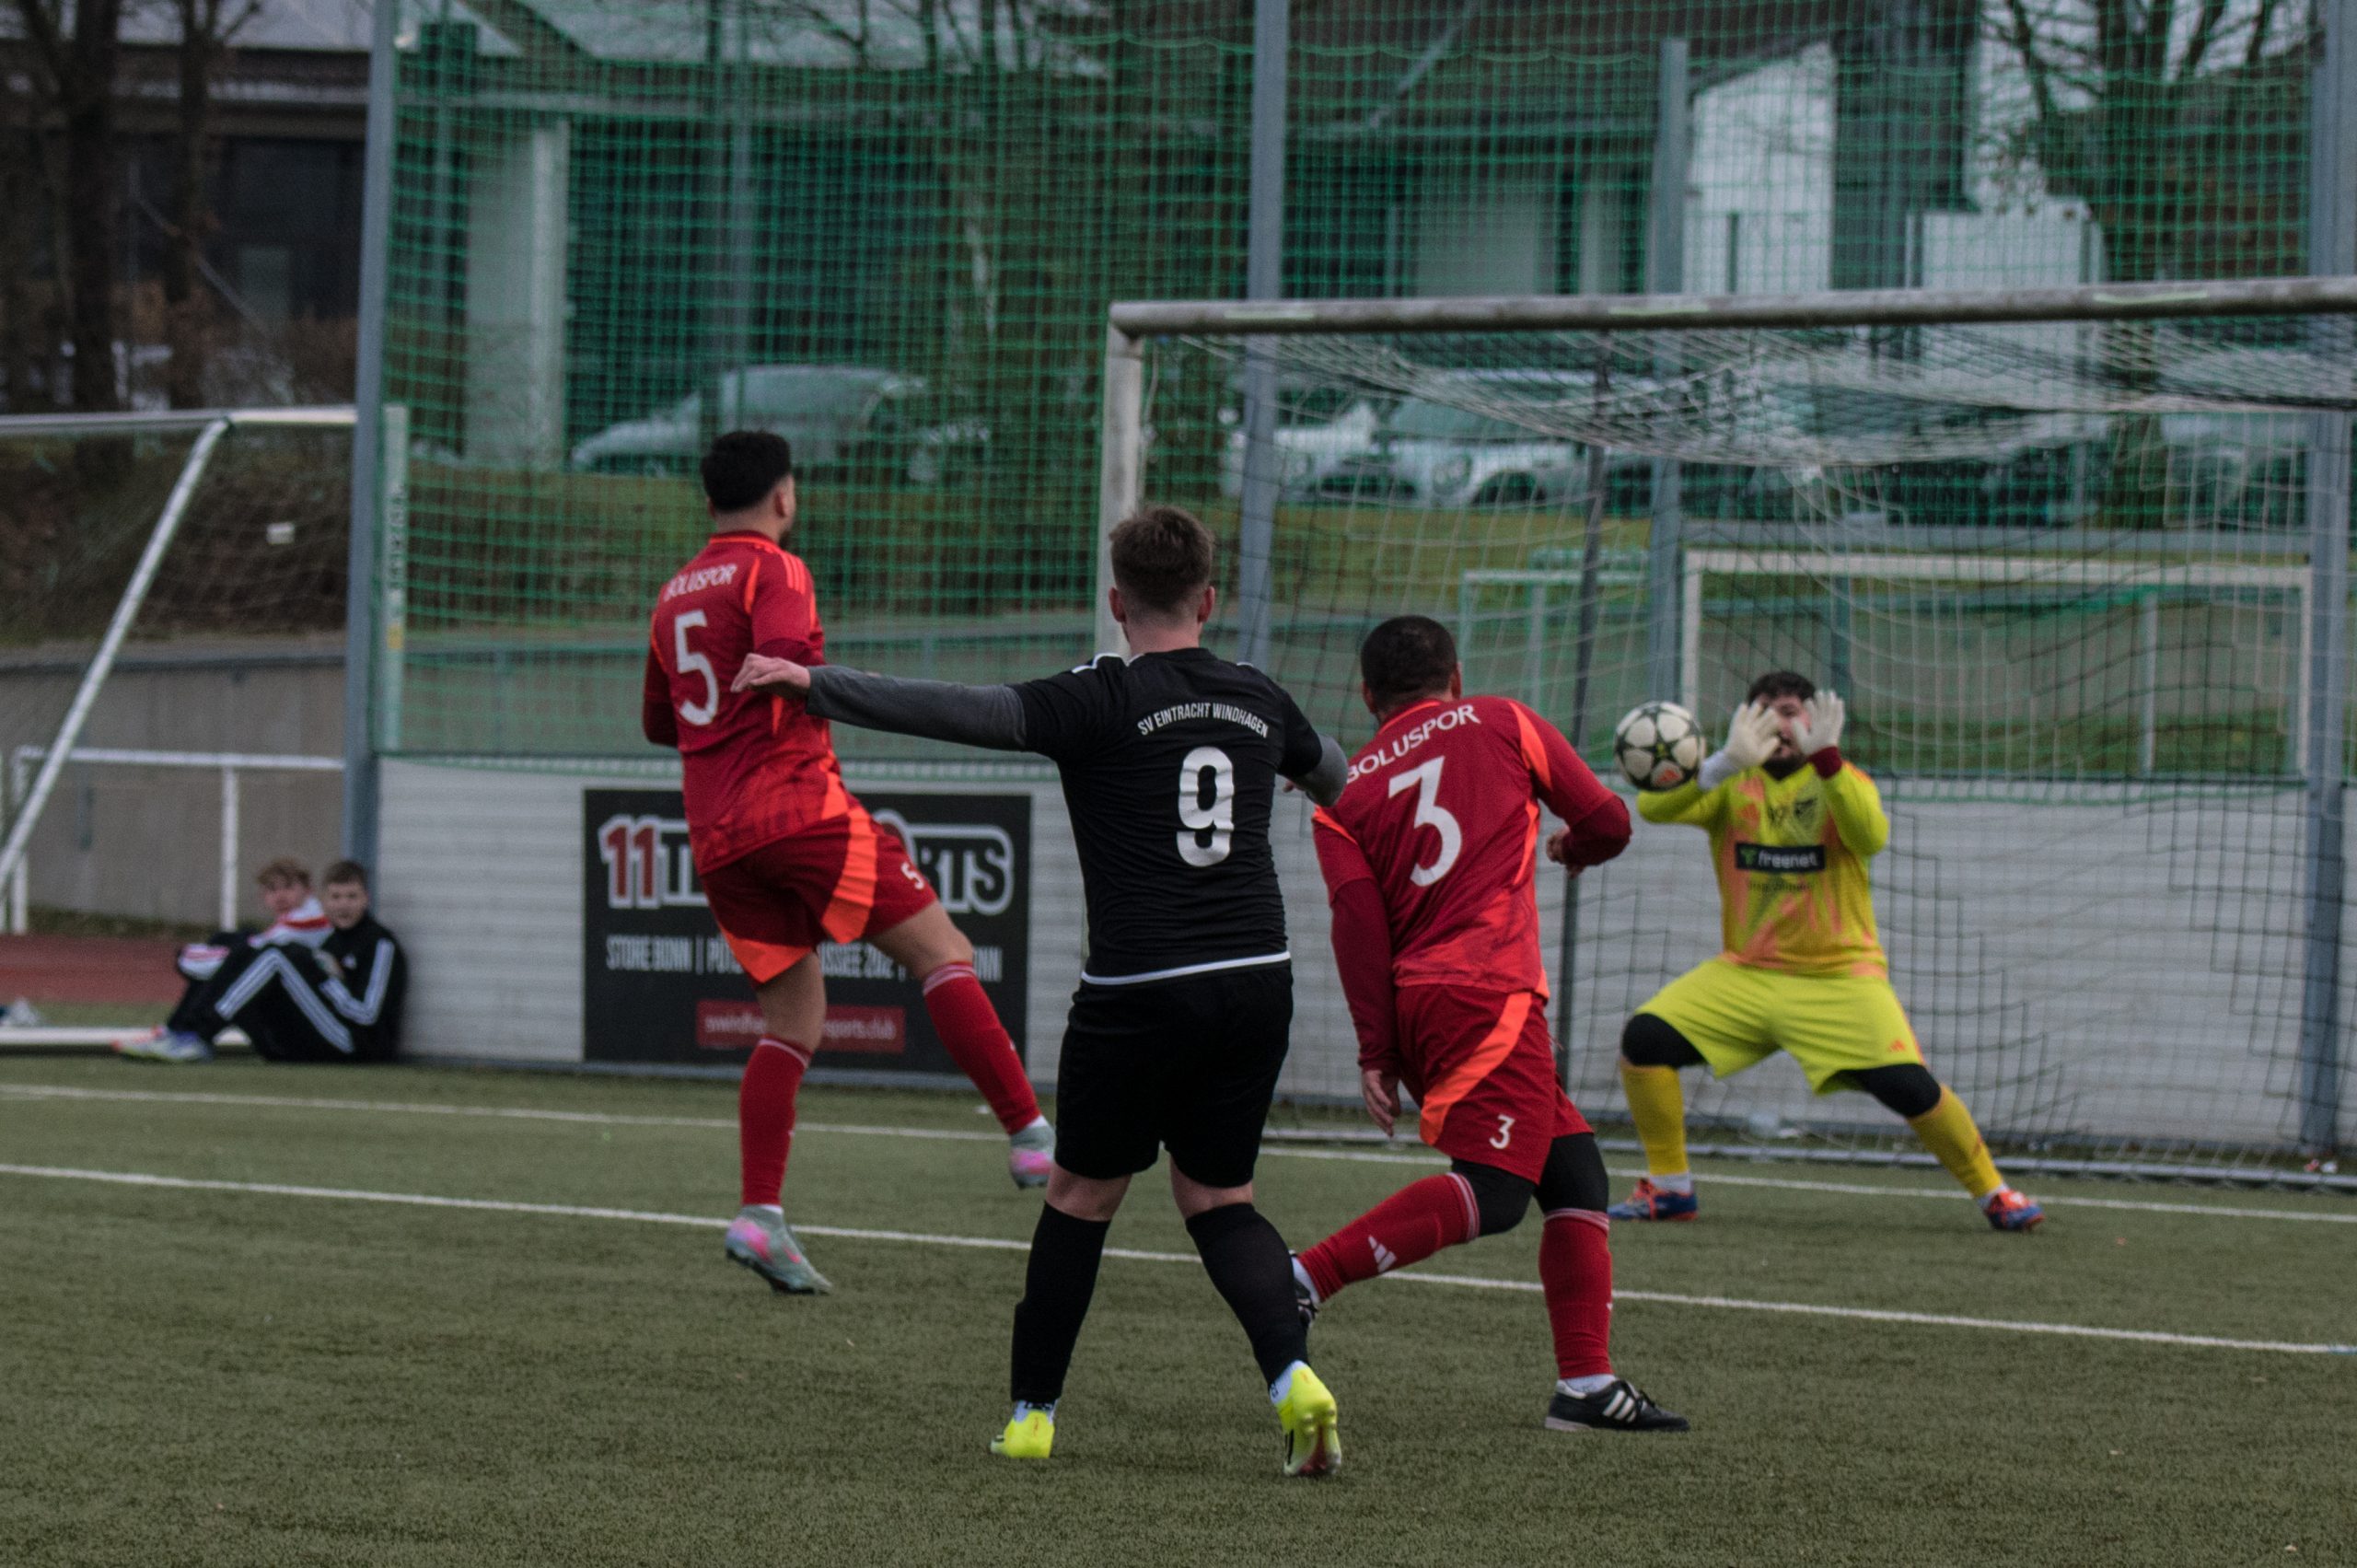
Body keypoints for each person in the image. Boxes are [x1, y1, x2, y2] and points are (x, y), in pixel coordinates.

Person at [735, 504, 1353, 1476]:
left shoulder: (1096, 697)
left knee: (1078, 1196)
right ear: (1208, 600)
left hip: (1140, 988)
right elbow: (1341, 782)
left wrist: (816, 683)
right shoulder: (1259, 695)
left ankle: (1032, 1415)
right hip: (1255, 981)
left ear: (1116, 602)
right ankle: (1292, 1377)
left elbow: (957, 709)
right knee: (1220, 1197)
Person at [644, 430, 1054, 1298]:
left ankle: (760, 1213)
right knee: (942, 952)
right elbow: (786, 663)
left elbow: (658, 721)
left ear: (708, 502)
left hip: (716, 836)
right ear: (784, 496)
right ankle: (1030, 1136)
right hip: (795, 808)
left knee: (792, 1019)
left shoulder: (673, 594)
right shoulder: (776, 568)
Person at [1291, 615, 1689, 1434]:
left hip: (1425, 1003)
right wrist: (1574, 849)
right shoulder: (1504, 719)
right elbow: (1610, 822)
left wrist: (1377, 1048)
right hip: (1490, 991)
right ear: (1457, 677)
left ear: (1367, 696)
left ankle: (1586, 1384)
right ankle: (1302, 1278)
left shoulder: (1343, 797)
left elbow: (1356, 923)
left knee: (1574, 1175)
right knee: (1498, 1191)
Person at [1610, 671, 2044, 1232]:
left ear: (1814, 721)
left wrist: (1830, 763)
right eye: (1764, 711)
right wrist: (1722, 763)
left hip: (1840, 977)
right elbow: (1654, 808)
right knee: (1645, 1040)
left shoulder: (1844, 780)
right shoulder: (1731, 784)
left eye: (1791, 711)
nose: (1779, 724)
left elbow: (1869, 836)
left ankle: (1996, 1193)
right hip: (1746, 974)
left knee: (1909, 1087)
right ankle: (1669, 1189)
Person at [115, 859, 404, 1063]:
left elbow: (367, 1015)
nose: (343, 905)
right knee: (242, 949)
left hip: (353, 1045)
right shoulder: (330, 939)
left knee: (274, 956)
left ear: (366, 899)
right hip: (307, 1039)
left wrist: (325, 982)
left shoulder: (378, 943)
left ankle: (198, 1035)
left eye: (352, 897)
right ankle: (178, 1034)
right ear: (324, 899)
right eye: (336, 897)